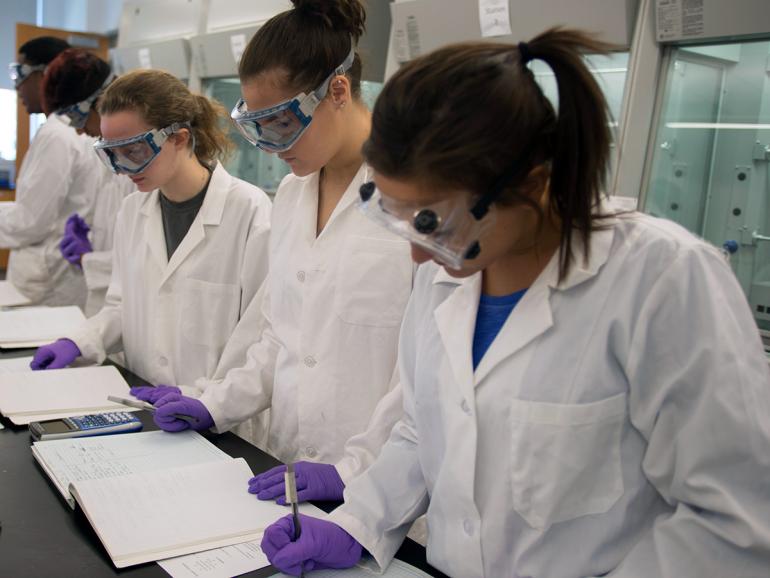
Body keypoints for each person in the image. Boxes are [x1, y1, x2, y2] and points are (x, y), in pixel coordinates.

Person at [259, 29, 770, 577]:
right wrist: (358, 522)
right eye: (397, 216)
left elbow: (735, 521)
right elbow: (422, 429)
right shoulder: (451, 271)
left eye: (430, 221)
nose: (416, 256)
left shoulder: (663, 281)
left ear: (529, 183)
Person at [132, 0, 413, 504]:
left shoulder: (417, 199)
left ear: (338, 92)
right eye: (255, 126)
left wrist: (356, 472)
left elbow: (422, 375)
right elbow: (278, 338)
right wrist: (213, 403)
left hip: (384, 487)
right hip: (287, 469)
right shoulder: (291, 196)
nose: (270, 145)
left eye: (280, 123)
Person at [29, 69, 272, 408]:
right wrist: (79, 342)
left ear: (179, 138)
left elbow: (259, 339)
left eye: (134, 151)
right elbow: (122, 307)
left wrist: (209, 402)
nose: (124, 167)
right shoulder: (133, 210)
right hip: (145, 409)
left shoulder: (249, 211)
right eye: (111, 153)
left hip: (218, 420)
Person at [2, 37, 102, 307]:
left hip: (46, 283)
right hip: (53, 278)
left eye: (20, 73)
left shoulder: (58, 133)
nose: (16, 85)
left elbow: (30, 221)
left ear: (48, 74)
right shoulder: (67, 130)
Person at [42, 48, 136, 316]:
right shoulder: (106, 155)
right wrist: (91, 235)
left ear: (99, 102)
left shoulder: (143, 168)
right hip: (107, 309)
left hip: (129, 311)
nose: (79, 130)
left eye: (79, 118)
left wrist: (90, 259)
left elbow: (146, 262)